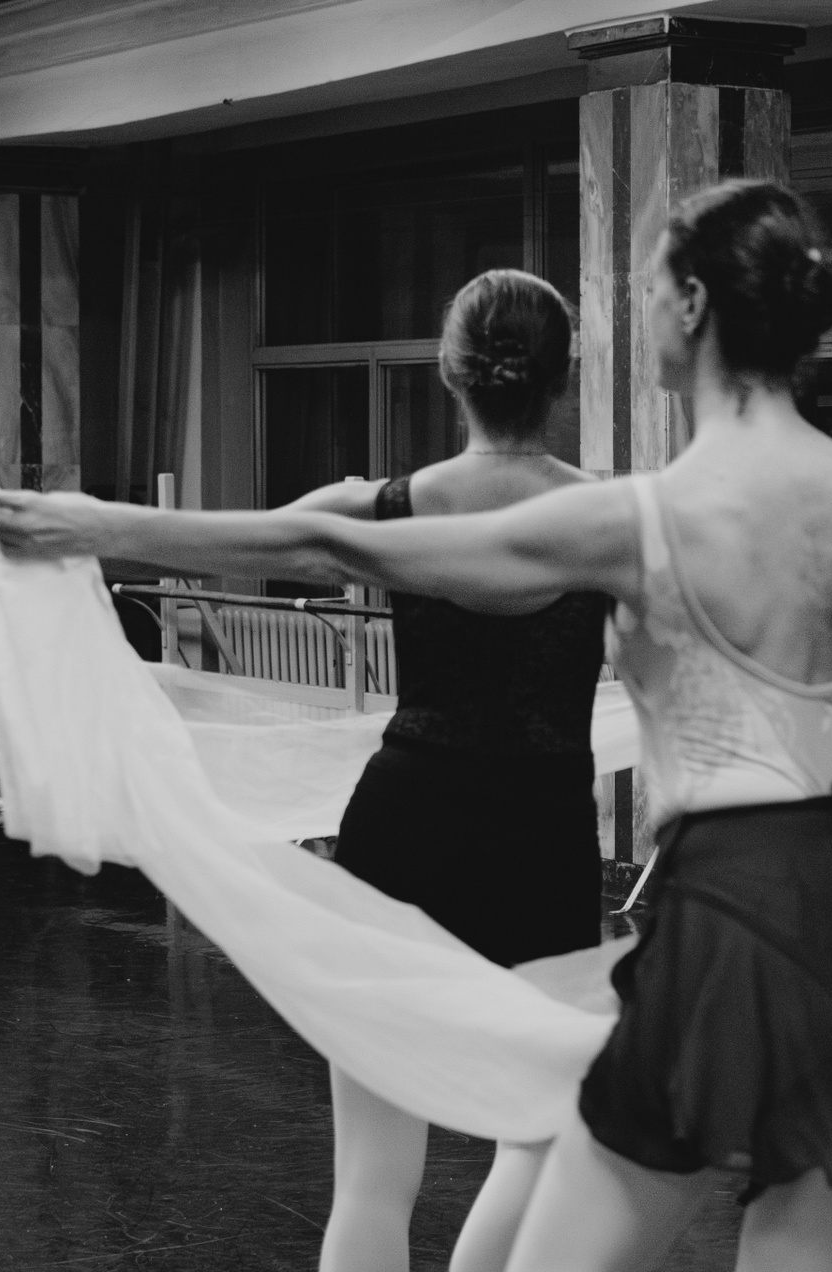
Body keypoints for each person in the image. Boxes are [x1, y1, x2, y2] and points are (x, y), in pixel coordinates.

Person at [0, 180, 832, 1272]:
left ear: (696, 306)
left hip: (736, 900)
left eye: (650, 286)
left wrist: (100, 524)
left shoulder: (642, 517)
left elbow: (335, 541)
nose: (637, 310)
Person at [204, 269, 610, 1272]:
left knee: (372, 1177)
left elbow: (245, 545)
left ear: (448, 373)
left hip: (406, 826)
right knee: (542, 1139)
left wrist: (71, 541)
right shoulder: (612, 518)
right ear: (566, 376)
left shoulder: (381, 508)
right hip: (543, 841)